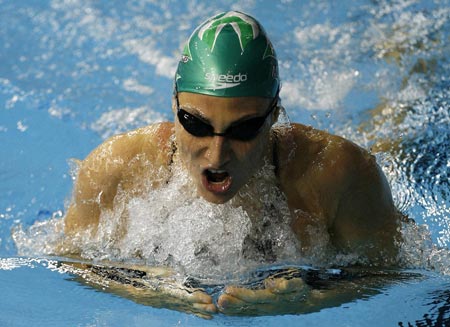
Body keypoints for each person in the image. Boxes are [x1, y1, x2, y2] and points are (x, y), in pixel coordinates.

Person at [61, 11, 401, 316]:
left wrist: (310, 300)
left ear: (274, 116)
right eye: (196, 125)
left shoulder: (340, 175)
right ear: (173, 106)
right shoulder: (114, 169)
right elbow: (71, 263)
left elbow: (392, 274)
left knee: (392, 139)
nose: (217, 154)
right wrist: (146, 292)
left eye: (244, 128)